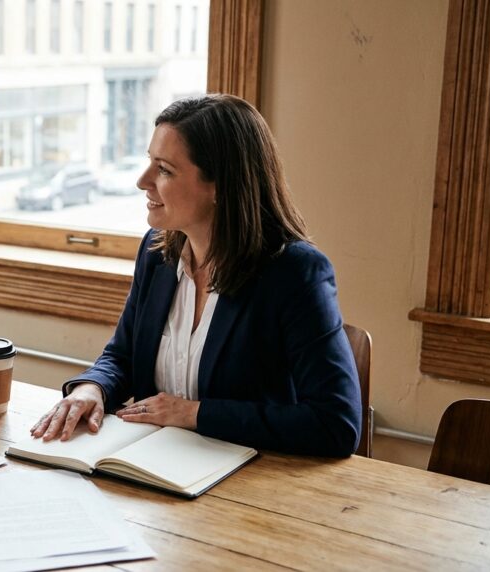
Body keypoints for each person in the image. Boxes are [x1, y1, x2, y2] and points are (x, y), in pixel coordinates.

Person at [30, 94, 361, 457]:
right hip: (155, 464)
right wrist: (92, 388)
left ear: (220, 185)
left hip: (253, 477)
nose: (142, 181)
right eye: (149, 162)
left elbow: (336, 424)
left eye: (164, 170)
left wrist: (193, 414)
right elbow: (123, 355)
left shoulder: (295, 273)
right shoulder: (156, 252)